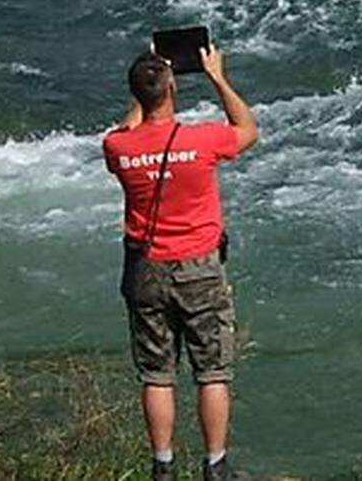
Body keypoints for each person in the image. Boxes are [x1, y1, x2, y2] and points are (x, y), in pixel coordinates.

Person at [103, 45, 257, 481]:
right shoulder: (202, 139)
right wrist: (216, 77)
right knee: (212, 372)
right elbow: (247, 128)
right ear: (172, 88)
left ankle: (163, 467)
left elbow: (131, 126)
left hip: (145, 269)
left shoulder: (117, 147)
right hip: (199, 269)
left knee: (156, 374)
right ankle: (215, 466)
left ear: (136, 94)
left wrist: (148, 85)